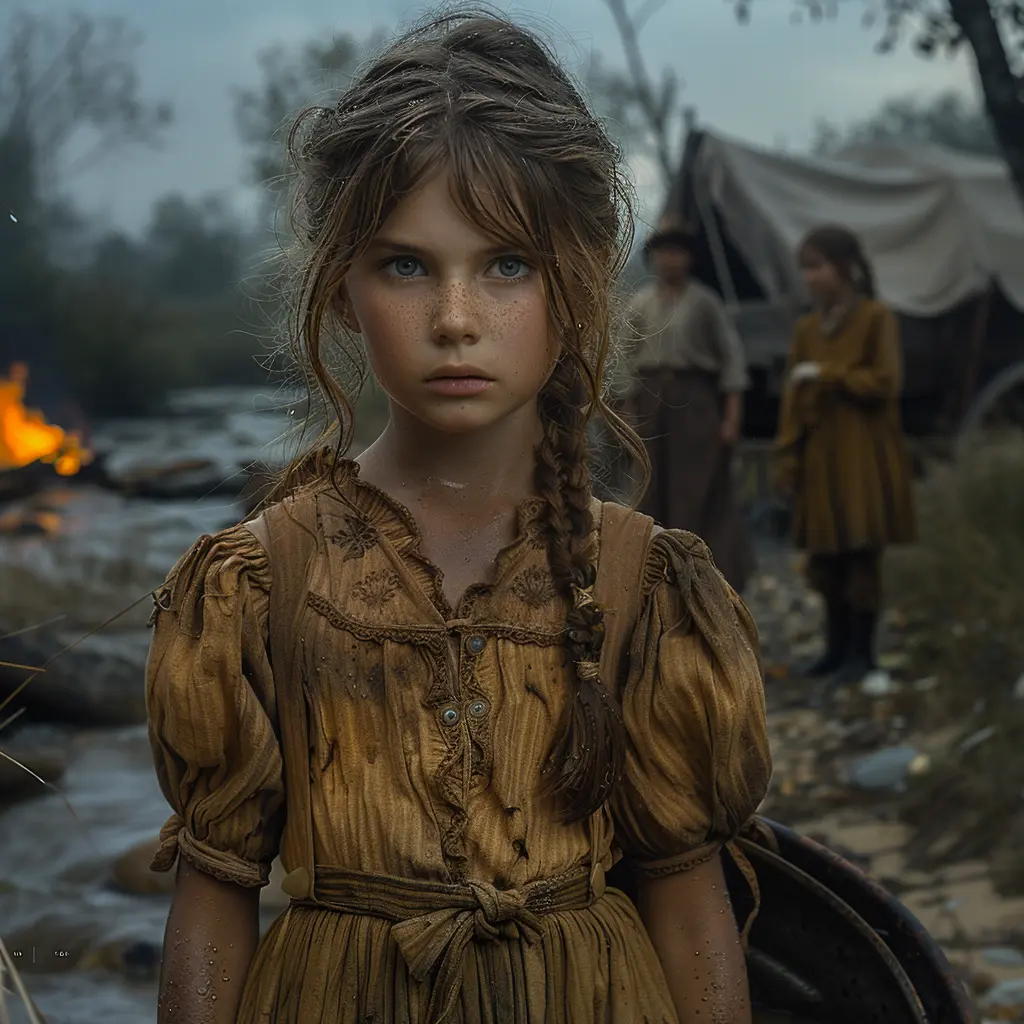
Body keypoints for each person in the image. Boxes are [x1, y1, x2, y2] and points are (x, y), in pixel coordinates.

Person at [145, 13, 771, 1024]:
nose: (455, 317)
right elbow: (214, 891)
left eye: (506, 265)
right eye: (405, 265)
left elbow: (687, 894)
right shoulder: (258, 578)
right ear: (341, 286)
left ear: (574, 280)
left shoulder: (640, 581)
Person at [775, 225, 916, 688]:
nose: (810, 278)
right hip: (821, 459)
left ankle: (863, 654)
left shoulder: (876, 318)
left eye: (817, 267)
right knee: (826, 558)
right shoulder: (806, 329)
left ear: (845, 267)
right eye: (805, 269)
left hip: (861, 457)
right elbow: (793, 401)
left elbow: (886, 382)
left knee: (859, 553)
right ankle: (835, 652)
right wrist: (789, 459)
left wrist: (830, 374)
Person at [620, 222, 756, 593]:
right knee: (650, 486)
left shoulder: (705, 302)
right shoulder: (641, 302)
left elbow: (731, 360)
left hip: (695, 399)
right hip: (651, 400)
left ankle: (703, 574)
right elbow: (625, 360)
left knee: (695, 485)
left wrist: (731, 417)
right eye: (663, 252)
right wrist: (627, 411)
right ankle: (652, 576)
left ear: (689, 258)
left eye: (678, 251)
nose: (670, 260)